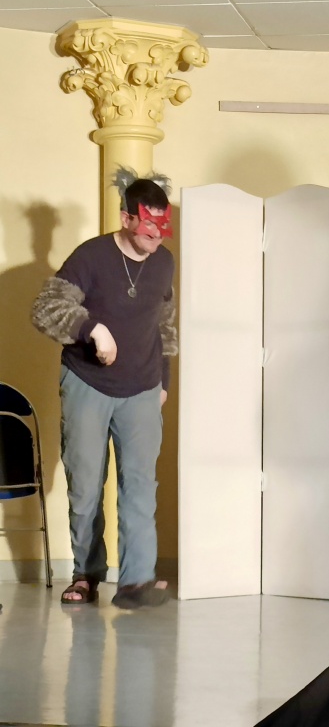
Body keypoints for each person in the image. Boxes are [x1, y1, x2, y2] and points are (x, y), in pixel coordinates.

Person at [31, 169, 178, 610]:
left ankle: (136, 581)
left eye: (163, 225)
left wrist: (164, 381)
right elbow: (45, 308)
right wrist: (92, 328)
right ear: (126, 218)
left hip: (143, 387)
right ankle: (86, 575)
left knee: (140, 484)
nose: (157, 234)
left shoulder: (164, 262)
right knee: (85, 485)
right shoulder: (91, 256)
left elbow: (165, 323)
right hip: (88, 383)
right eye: (148, 225)